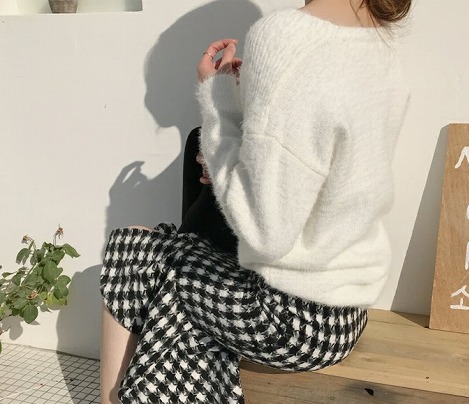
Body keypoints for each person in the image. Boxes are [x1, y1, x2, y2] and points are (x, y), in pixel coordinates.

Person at [100, 0, 411, 402]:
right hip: (346, 315)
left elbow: (265, 231)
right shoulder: (382, 43)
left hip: (288, 319)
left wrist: (216, 101)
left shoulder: (285, 36)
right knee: (176, 281)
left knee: (134, 249)